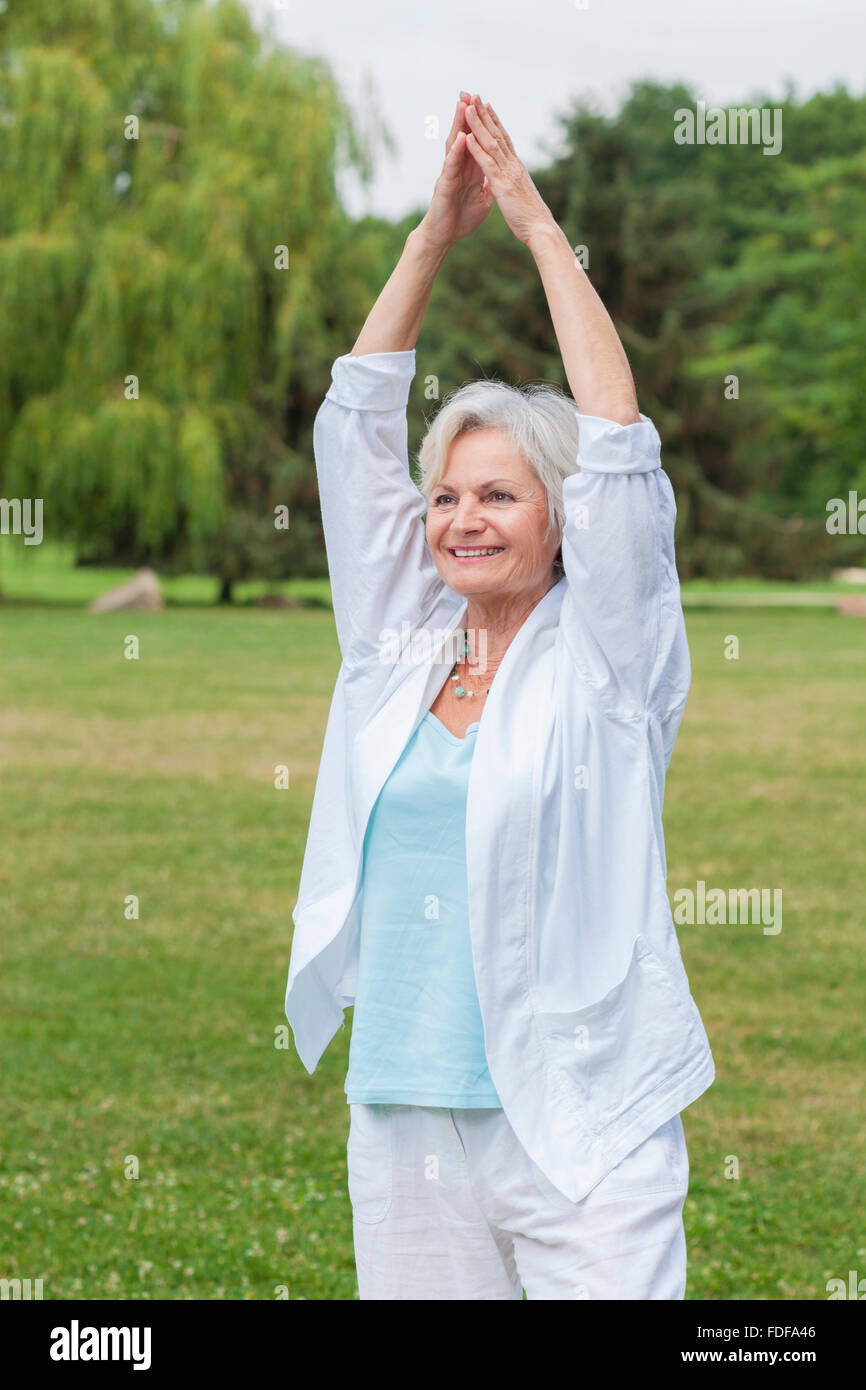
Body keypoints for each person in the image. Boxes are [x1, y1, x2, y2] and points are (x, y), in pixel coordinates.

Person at [284, 91, 715, 1300]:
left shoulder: (611, 660)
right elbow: (354, 424)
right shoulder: (395, 653)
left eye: (499, 495)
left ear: (561, 519)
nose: (461, 519)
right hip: (406, 1114)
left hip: (584, 1116)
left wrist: (530, 225)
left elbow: (620, 444)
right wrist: (430, 237)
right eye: (445, 497)